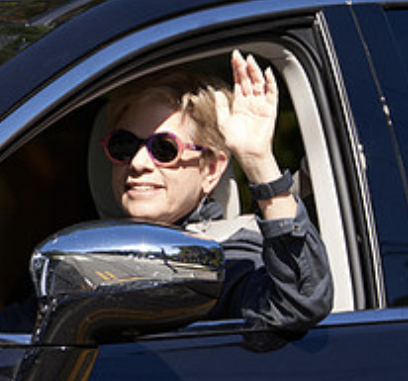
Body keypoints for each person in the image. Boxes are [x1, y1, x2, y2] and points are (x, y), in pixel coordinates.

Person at [94, 50, 332, 330]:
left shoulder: (228, 261)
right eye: (124, 145)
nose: (138, 162)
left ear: (210, 169)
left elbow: (301, 303)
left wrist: (257, 162)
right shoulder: (88, 257)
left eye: (164, 149)